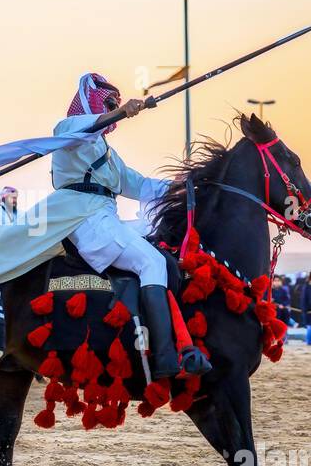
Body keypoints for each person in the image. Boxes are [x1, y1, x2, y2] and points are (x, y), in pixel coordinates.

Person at [45, 73, 207, 379]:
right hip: (85, 216)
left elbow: (139, 185)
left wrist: (185, 188)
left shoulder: (107, 153)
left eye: (115, 104)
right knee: (152, 262)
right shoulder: (68, 130)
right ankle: (165, 359)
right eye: (108, 103)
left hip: (106, 216)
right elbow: (75, 128)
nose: (114, 109)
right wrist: (120, 111)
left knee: (162, 248)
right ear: (90, 100)